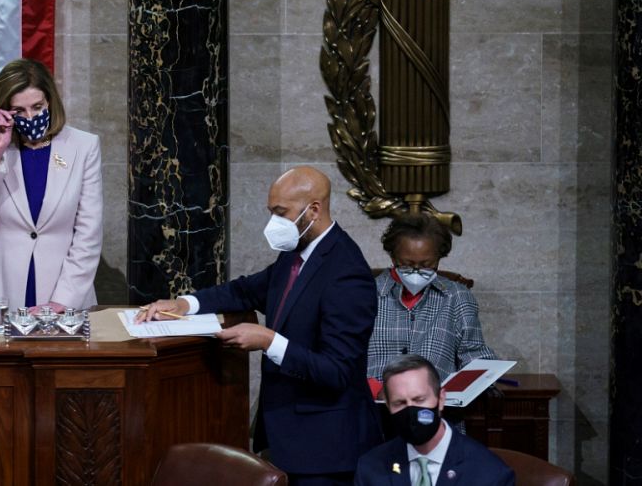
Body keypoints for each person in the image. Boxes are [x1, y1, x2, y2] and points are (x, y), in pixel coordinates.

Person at [138, 166, 381, 485]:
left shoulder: (347, 273)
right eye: (272, 213)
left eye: (282, 213)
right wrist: (185, 304)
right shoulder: (295, 254)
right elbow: (245, 290)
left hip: (325, 449)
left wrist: (269, 342)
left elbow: (336, 371)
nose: (274, 223)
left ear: (314, 209)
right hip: (285, 436)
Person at [0, 58, 102, 312]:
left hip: (64, 294)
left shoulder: (84, 146)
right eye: (19, 111)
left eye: (37, 106)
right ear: (4, 110)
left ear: (50, 101)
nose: (30, 116)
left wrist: (62, 301)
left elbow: (88, 233)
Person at [366, 213, 495, 383]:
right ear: (393, 257)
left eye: (427, 265)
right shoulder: (363, 294)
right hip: (373, 403)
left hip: (437, 404)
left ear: (439, 258)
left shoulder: (457, 297)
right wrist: (374, 390)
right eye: (407, 264)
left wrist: (484, 377)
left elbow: (474, 356)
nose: (417, 271)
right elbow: (344, 357)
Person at [353, 355, 513, 485]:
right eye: (400, 403)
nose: (411, 411)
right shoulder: (370, 468)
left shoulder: (489, 472)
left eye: (419, 400)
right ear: (388, 406)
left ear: (441, 399)